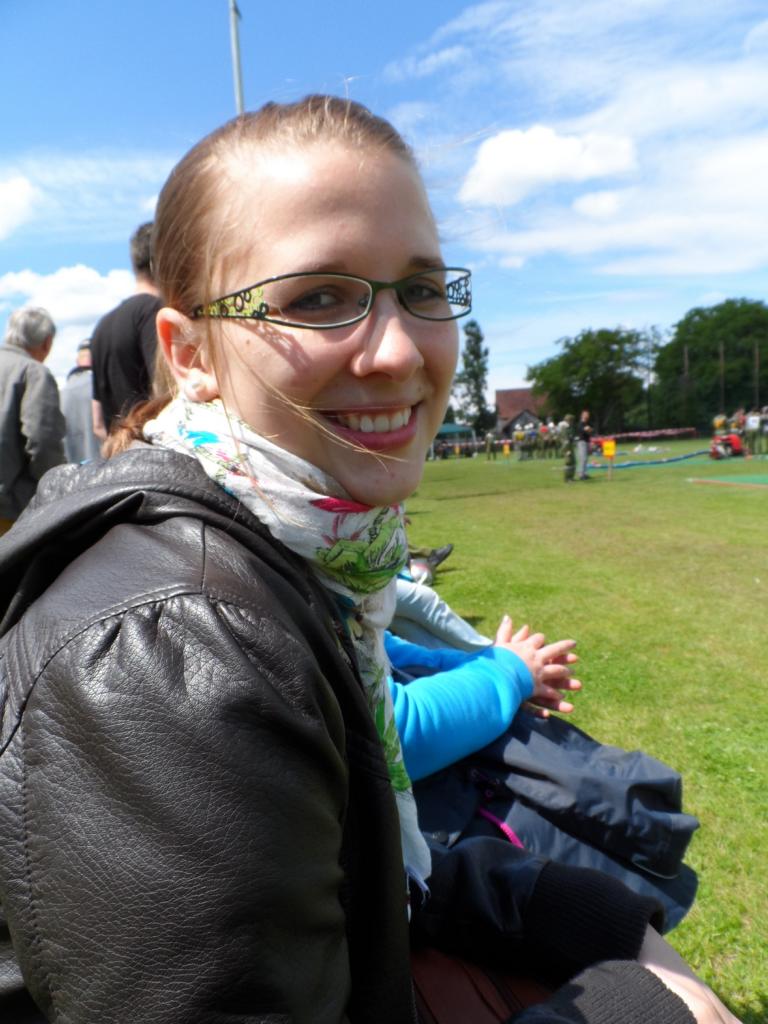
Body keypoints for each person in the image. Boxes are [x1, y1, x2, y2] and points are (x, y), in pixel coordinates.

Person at [0, 97, 739, 1024]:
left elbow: (345, 871)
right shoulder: (169, 646)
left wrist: (578, 914)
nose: (396, 351)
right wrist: (655, 1009)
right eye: (318, 297)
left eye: (422, 291)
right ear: (190, 354)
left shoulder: (303, 552)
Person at [90, 221, 163, 438]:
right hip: (157, 449)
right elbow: (166, 391)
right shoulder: (154, 312)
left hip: (117, 452)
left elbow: (97, 422)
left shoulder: (102, 326)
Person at [0, 307, 65, 534]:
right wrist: (59, 490)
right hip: (12, 510)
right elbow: (42, 442)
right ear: (47, 342)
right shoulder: (33, 372)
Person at [60, 339, 102, 463]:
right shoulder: (103, 387)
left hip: (67, 469)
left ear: (77, 361)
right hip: (104, 467)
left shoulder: (60, 393)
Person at [575, 408, 592, 480]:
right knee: (583, 458)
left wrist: (588, 429)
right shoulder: (580, 423)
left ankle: (584, 473)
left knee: (586, 459)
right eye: (586, 414)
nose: (587, 416)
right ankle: (581, 475)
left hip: (586, 442)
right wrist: (587, 429)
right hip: (582, 442)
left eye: (588, 414)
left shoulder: (587, 424)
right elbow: (584, 429)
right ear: (582, 415)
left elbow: (590, 431)